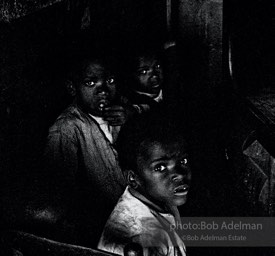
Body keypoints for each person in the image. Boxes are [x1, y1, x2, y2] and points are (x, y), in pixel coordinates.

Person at [43, 50, 129, 246]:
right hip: (104, 224)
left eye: (110, 80)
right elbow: (60, 191)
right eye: (91, 83)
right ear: (73, 88)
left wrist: (131, 118)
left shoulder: (122, 110)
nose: (103, 90)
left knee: (201, 233)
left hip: (139, 211)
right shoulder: (67, 129)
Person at [98, 111, 191, 256]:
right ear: (133, 178)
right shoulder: (141, 239)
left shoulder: (163, 200)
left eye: (183, 161)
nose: (179, 174)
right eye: (160, 167)